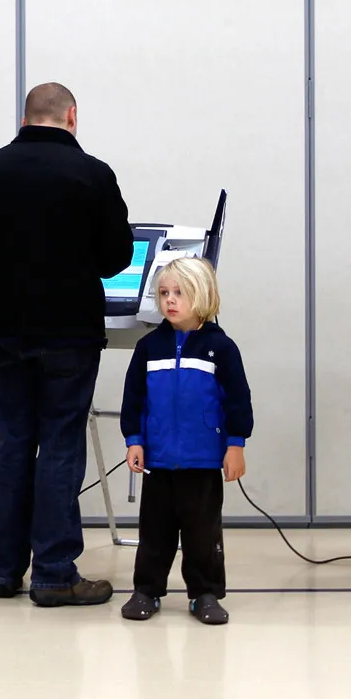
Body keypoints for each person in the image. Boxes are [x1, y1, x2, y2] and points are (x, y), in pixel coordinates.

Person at [0, 82, 133, 606]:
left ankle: (3, 571)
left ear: (26, 116)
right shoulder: (93, 174)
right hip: (70, 334)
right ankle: (54, 573)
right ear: (72, 115)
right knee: (60, 446)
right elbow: (116, 256)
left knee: (12, 446)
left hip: (5, 335)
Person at [117, 257, 252, 626]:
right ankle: (146, 590)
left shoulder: (221, 349)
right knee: (154, 533)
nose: (170, 301)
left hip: (203, 461)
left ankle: (204, 593)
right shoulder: (148, 347)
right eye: (164, 293)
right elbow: (134, 399)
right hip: (158, 462)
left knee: (202, 534)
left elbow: (238, 400)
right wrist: (135, 439)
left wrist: (235, 444)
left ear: (203, 296)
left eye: (179, 293)